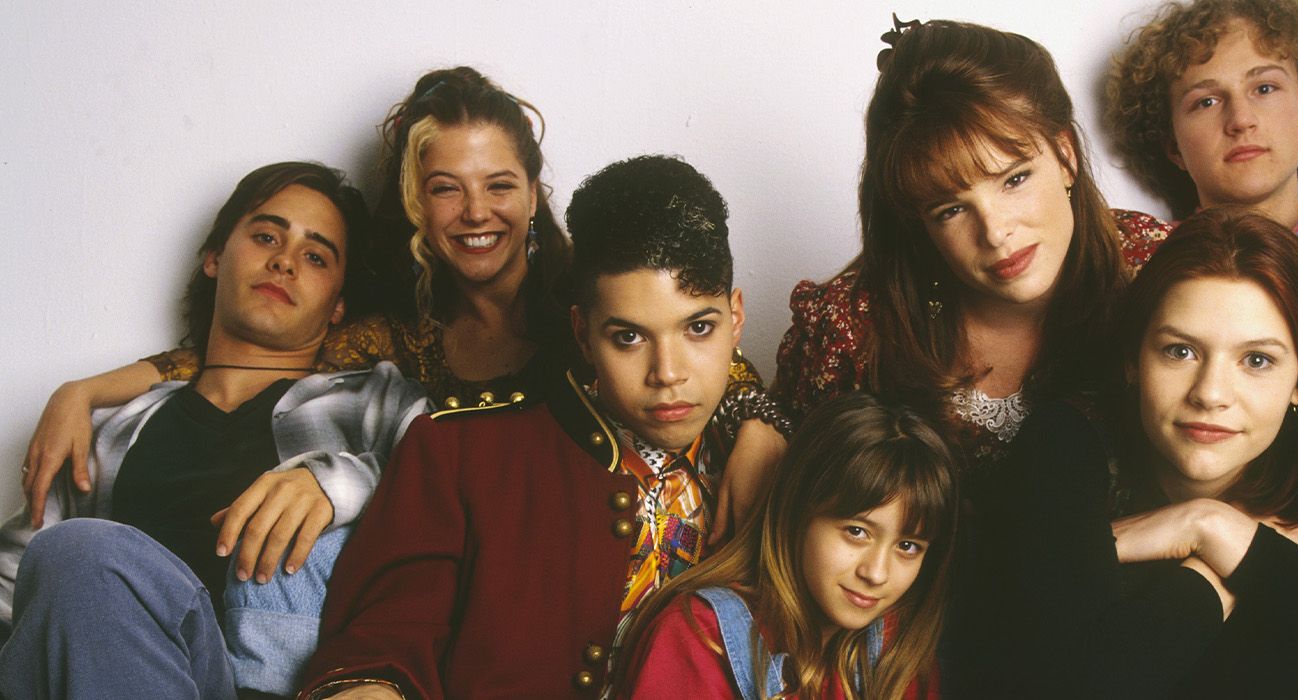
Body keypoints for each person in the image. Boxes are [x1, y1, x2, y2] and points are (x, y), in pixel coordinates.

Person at [21, 66, 788, 542]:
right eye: (445, 188)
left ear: (533, 194)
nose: (476, 212)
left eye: (499, 186)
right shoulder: (390, 341)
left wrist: (758, 430)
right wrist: (84, 391)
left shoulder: (582, 298)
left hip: (599, 545)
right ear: (415, 203)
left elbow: (705, 358)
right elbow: (250, 356)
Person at [298, 155, 750, 698]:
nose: (668, 375)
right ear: (582, 334)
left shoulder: (776, 467)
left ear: (737, 318)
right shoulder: (461, 452)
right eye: (628, 337)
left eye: (699, 328)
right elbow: (384, 643)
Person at [0, 162, 429, 699]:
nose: (284, 261)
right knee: (79, 553)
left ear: (339, 304)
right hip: (119, 663)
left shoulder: (375, 403)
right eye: (267, 236)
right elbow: (16, 581)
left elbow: (449, 493)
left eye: (315, 256)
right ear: (214, 258)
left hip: (281, 683)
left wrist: (335, 481)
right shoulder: (108, 429)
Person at [980, 208, 1298, 697]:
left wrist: (1215, 530)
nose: (1210, 393)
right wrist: (1209, 573)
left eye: (1257, 360)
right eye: (1180, 351)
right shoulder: (1065, 440)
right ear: (1132, 361)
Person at [773, 18, 1160, 472]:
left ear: (1066, 155)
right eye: (950, 210)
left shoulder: (1157, 269)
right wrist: (756, 422)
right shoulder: (855, 333)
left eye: (1014, 180)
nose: (994, 233)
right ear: (918, 222)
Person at [1106, 0, 1298, 398]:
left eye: (1264, 88)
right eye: (1205, 101)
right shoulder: (1128, 265)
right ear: (1173, 145)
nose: (1241, 119)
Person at [614, 392, 958, 699]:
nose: (877, 573)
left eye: (908, 546)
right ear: (797, 512)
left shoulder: (896, 650)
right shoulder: (699, 636)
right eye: (856, 531)